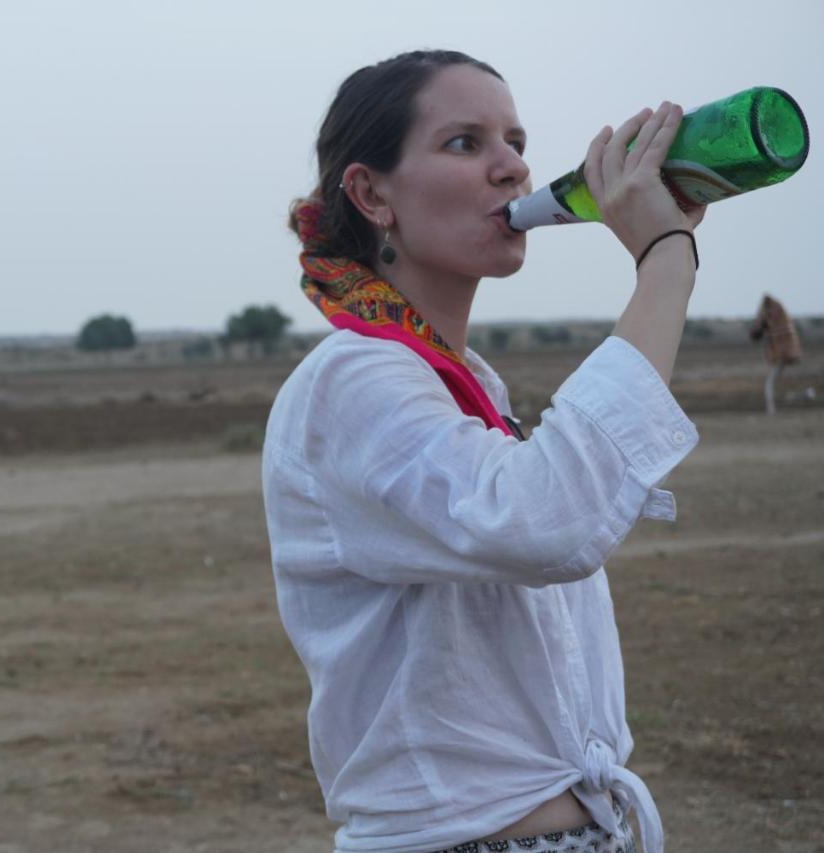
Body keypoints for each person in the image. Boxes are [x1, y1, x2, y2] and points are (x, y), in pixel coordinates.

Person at [263, 51, 705, 853]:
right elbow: (545, 520)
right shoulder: (353, 381)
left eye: (516, 138)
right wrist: (664, 262)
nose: (514, 167)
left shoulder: (462, 385)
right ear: (372, 194)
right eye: (466, 143)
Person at [749, 293, 802, 415]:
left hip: (780, 355)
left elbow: (758, 331)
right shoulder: (779, 313)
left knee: (770, 382)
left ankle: (771, 409)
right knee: (775, 380)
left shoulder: (771, 314)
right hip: (785, 354)